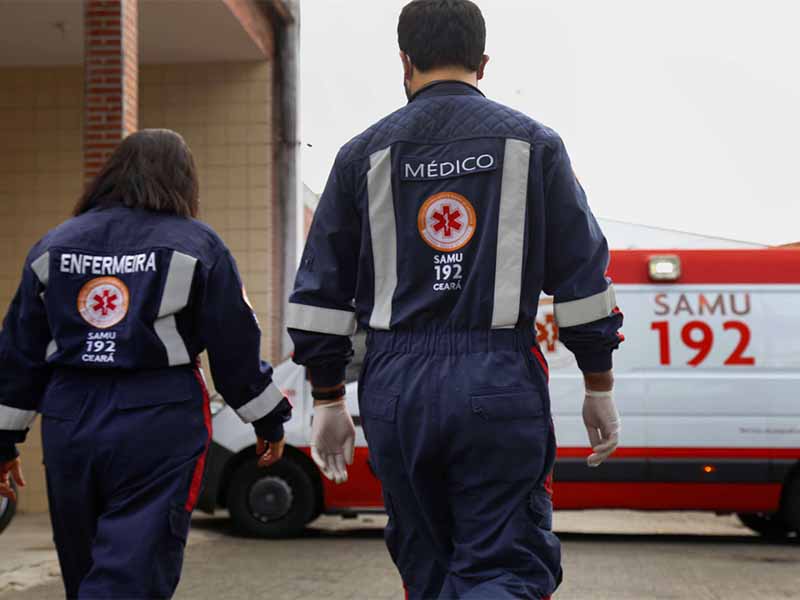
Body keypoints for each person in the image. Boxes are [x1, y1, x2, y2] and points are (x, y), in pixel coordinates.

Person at [288, 1, 624, 598]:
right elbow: (583, 277)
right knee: (501, 567)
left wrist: (328, 399)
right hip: (498, 381)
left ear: (404, 61)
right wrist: (598, 385)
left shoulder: (359, 157)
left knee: (427, 567)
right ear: (484, 62)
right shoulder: (535, 146)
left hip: (395, 392)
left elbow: (319, 294)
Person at [0, 129, 291, 599]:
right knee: (134, 569)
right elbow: (234, 347)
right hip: (158, 417)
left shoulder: (53, 245)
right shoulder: (199, 246)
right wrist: (269, 420)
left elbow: (18, 350)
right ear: (184, 183)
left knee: (85, 563)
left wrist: (3, 441)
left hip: (69, 417)